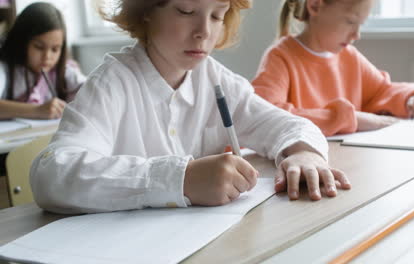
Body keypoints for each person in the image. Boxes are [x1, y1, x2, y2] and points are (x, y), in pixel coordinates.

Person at [30, 0, 351, 214]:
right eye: (185, 10)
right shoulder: (112, 83)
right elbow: (51, 174)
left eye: (217, 14)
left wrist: (302, 151)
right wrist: (179, 179)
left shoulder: (215, 79)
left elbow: (288, 125)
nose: (204, 31)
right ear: (145, 10)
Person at [252, 0, 414, 136]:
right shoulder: (280, 57)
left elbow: (382, 90)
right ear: (315, 5)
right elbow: (262, 116)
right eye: (351, 22)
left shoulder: (349, 56)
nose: (357, 34)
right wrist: (348, 118)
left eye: (361, 25)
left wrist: (411, 99)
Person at [0, 2, 86, 120]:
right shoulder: (5, 69)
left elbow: (91, 92)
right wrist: (37, 110)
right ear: (21, 41)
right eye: (39, 47)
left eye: (55, 49)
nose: (47, 56)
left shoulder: (64, 71)